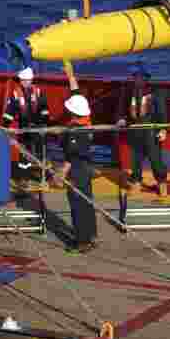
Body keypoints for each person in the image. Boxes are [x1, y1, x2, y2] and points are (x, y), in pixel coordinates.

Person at [52, 65, 98, 253]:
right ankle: (91, 234)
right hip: (86, 168)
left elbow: (70, 156)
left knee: (77, 205)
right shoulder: (88, 123)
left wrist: (61, 173)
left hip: (77, 170)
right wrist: (70, 74)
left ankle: (82, 241)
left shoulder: (74, 133)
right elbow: (76, 92)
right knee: (87, 201)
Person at [117, 66, 169, 197]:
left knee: (155, 159)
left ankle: (162, 183)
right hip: (134, 129)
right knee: (135, 160)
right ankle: (136, 183)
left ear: (146, 78)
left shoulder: (156, 92)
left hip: (151, 130)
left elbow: (161, 112)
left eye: (141, 77)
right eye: (136, 77)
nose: (138, 79)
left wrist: (163, 129)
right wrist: (122, 119)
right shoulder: (128, 92)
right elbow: (122, 109)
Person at [2, 67, 50, 190]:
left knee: (41, 152)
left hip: (38, 127)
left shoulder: (38, 92)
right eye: (24, 80)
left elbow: (44, 108)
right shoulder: (16, 94)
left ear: (31, 80)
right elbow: (9, 112)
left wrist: (44, 124)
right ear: (20, 80)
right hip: (24, 128)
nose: (26, 82)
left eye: (28, 80)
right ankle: (24, 178)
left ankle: (43, 176)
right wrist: (4, 127)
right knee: (24, 154)